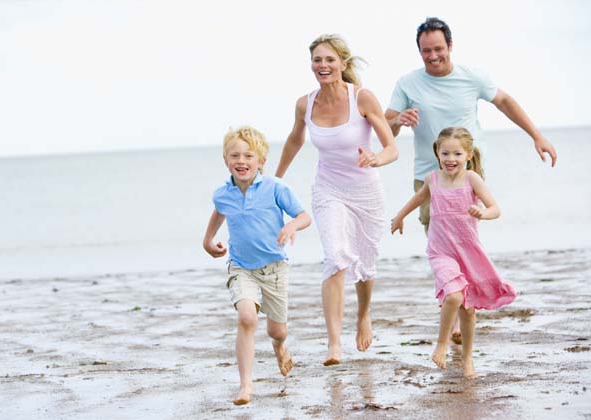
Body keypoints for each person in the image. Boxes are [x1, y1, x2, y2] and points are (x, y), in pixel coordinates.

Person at [385, 16, 556, 343]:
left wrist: (537, 135)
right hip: (427, 179)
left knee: (465, 242)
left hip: (469, 176)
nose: (432, 56)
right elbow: (386, 124)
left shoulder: (471, 77)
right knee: (440, 247)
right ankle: (455, 299)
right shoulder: (408, 83)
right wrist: (398, 121)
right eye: (425, 51)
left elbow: (504, 101)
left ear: (450, 46)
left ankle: (461, 310)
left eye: (438, 49)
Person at [275, 34, 398, 366]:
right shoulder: (305, 103)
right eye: (317, 60)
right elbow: (294, 140)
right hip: (328, 189)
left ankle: (363, 315)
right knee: (335, 258)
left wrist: (376, 158)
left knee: (366, 263)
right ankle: (334, 345)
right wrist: (275, 180)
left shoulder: (363, 98)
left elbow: (392, 148)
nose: (323, 66)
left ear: (343, 63)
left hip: (366, 191)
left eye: (329, 60)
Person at [391, 127, 517, 379]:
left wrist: (484, 213)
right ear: (437, 152)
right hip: (441, 251)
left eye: (457, 153)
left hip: (468, 251)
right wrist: (400, 216)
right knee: (453, 297)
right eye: (445, 152)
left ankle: (468, 359)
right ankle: (441, 344)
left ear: (468, 154)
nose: (450, 158)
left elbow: (495, 208)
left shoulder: (472, 179)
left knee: (468, 309)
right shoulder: (432, 179)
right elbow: (419, 198)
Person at [203, 126, 311, 405]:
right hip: (242, 268)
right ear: (226, 160)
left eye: (249, 155)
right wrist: (208, 239)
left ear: (261, 161)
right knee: (246, 318)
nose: (242, 161)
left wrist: (290, 225)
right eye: (235, 155)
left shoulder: (276, 187)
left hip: (275, 268)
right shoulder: (222, 193)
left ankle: (279, 346)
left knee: (278, 330)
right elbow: (220, 212)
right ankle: (245, 386)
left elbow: (304, 216)